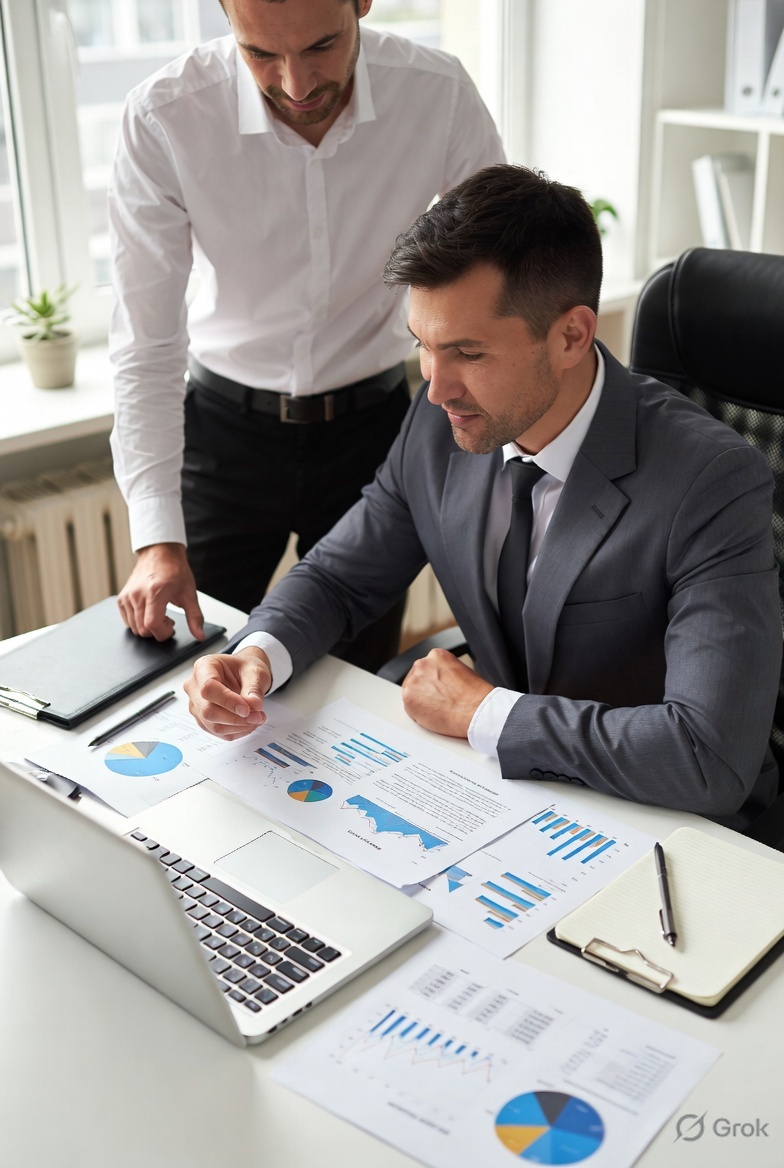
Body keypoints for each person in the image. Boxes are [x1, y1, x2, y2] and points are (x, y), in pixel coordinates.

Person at [184, 163, 781, 830]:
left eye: (467, 353)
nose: (436, 388)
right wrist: (254, 656)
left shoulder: (712, 481)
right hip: (504, 799)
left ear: (571, 337)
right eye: (424, 347)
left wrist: (484, 712)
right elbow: (338, 578)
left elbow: (708, 756)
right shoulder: (439, 425)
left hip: (670, 827)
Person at [109, 0, 503, 670]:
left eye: (322, 46)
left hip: (373, 438)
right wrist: (155, 543)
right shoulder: (165, 117)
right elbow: (147, 347)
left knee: (353, 678)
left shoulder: (437, 93)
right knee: (186, 672)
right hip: (223, 438)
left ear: (363, 5)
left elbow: (501, 267)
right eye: (260, 54)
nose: (296, 85)